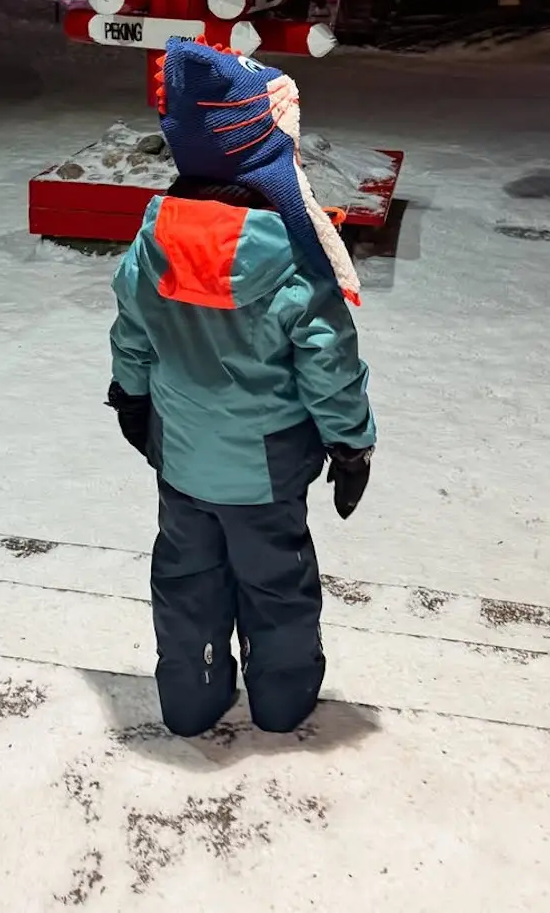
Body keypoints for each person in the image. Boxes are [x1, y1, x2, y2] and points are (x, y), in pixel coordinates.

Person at [106, 38, 375, 738]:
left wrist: (131, 396)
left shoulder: (153, 239)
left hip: (185, 458)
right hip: (267, 470)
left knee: (187, 583)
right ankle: (282, 702)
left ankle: (190, 698)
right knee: (277, 586)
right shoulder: (289, 256)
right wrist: (351, 444)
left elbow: (133, 331)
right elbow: (328, 363)